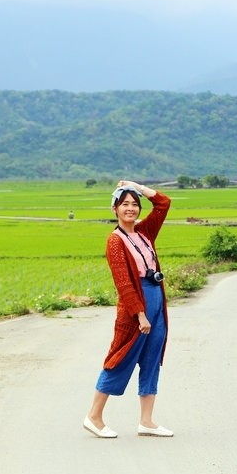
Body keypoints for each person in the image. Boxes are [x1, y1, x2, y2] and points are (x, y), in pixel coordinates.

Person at [83, 180, 174, 438]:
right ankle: (94, 416)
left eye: (135, 204)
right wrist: (140, 314)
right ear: (115, 208)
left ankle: (147, 421)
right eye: (125, 204)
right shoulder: (115, 241)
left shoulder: (144, 232)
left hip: (156, 299)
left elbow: (163, 203)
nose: (131, 209)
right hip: (136, 307)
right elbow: (123, 283)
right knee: (120, 359)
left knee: (152, 360)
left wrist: (138, 186)